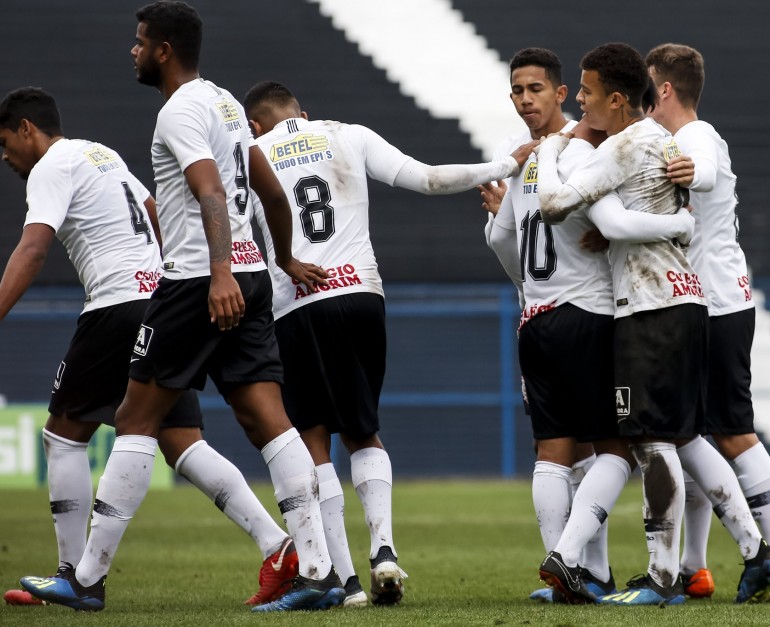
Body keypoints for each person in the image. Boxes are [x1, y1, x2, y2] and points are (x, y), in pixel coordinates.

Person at [20, 1, 344, 613]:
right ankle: (319, 570)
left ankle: (86, 579)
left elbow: (212, 192)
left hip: (200, 280)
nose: (134, 51)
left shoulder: (178, 112)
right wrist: (285, 260)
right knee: (266, 420)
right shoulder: (224, 103)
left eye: (141, 42)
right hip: (250, 276)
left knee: (137, 418)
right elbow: (270, 191)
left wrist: (219, 271)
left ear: (164, 50)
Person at [241, 79, 537, 607]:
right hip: (360, 295)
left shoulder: (252, 152)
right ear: (304, 113)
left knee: (313, 439)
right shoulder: (347, 134)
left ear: (255, 125)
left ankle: (346, 581)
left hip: (296, 300)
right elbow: (428, 179)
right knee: (363, 431)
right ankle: (384, 550)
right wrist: (504, 166)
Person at [0, 86, 299, 608]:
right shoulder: (102, 154)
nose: (5, 156)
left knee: (63, 435)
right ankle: (278, 545)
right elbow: (157, 211)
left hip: (115, 305)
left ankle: (72, 577)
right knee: (181, 440)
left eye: (5, 142)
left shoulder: (51, 166)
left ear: (27, 129)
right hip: (159, 297)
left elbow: (33, 247)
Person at [534, 42, 770, 606]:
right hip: (685, 299)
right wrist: (676, 222)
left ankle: (662, 575)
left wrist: (551, 149)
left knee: (649, 440)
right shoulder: (658, 141)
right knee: (684, 435)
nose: (582, 103)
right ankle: (757, 551)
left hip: (651, 308)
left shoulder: (623, 145)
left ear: (617, 99)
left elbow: (556, 206)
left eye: (589, 93)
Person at [480, 47, 695, 604]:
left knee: (553, 452)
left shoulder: (519, 157)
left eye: (536, 89)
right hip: (590, 313)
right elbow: (608, 216)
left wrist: (527, 287)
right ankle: (571, 559)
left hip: (534, 318)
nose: (527, 99)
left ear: (556, 93)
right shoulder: (588, 149)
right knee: (620, 447)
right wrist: (673, 220)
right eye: (518, 90)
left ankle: (573, 578)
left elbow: (501, 237)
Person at [645, 42, 770, 601]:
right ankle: (694, 564)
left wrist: (694, 172)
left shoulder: (693, 136)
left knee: (732, 433)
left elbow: (706, 169)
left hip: (714, 305)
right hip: (710, 301)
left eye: (650, 87)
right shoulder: (685, 137)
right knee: (690, 432)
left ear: (664, 88)